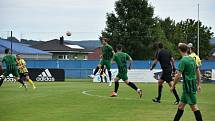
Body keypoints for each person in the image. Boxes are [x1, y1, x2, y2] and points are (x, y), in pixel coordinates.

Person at [171, 43, 203, 121]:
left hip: (189, 88)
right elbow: (198, 71)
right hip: (188, 87)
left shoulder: (183, 60)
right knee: (180, 106)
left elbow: (178, 76)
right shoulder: (192, 59)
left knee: (194, 107)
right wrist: (199, 84)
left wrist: (173, 86)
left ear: (179, 50)